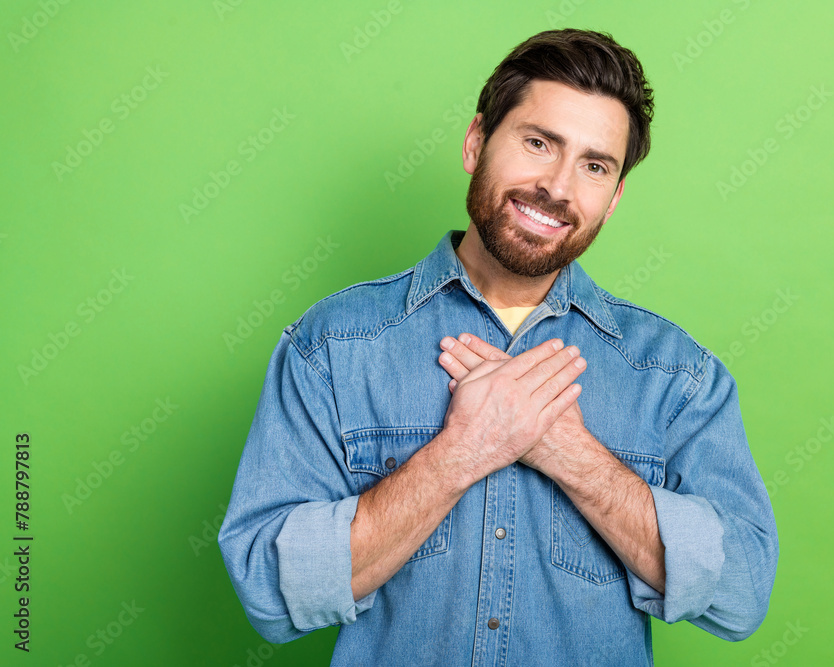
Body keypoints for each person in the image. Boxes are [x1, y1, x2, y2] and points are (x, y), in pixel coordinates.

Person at [218, 28, 778, 666]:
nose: (559, 187)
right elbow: (267, 591)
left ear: (615, 196)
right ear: (476, 142)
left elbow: (740, 594)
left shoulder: (676, 375)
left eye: (595, 166)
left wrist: (572, 455)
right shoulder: (333, 346)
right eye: (539, 143)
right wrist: (461, 453)